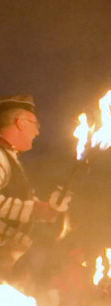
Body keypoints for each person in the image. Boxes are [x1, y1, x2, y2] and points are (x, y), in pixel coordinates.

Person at [0, 95, 67, 279]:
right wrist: (33, 209)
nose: (37, 132)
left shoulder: (9, 158)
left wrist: (43, 210)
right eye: (35, 125)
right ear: (20, 123)